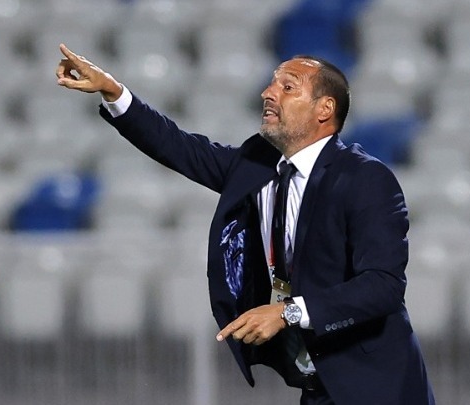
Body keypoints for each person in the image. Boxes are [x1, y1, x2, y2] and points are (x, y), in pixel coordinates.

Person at [56, 43, 435, 405]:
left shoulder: (365, 179)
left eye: (288, 87)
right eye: (272, 83)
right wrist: (113, 91)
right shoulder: (257, 164)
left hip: (378, 385)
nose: (268, 93)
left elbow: (383, 285)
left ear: (324, 109)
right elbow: (179, 147)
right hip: (317, 381)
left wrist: (287, 312)